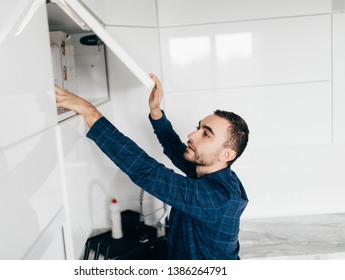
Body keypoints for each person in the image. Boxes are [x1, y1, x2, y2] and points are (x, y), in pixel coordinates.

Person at [55, 73, 249, 260]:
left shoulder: (216, 199)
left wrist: (91, 113)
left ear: (227, 155)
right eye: (198, 127)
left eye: (206, 134)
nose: (192, 134)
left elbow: (147, 172)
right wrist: (156, 111)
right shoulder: (212, 173)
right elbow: (176, 150)